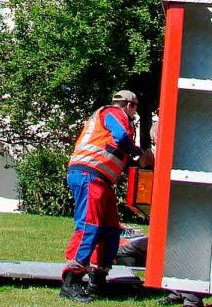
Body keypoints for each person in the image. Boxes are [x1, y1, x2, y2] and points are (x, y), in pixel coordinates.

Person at [60, 90, 145, 303]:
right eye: (135, 109)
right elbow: (120, 136)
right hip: (89, 175)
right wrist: (136, 151)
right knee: (89, 226)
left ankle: (98, 281)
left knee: (110, 231)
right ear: (129, 106)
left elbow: (115, 148)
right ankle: (71, 281)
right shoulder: (114, 113)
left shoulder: (112, 115)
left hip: (99, 179)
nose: (134, 115)